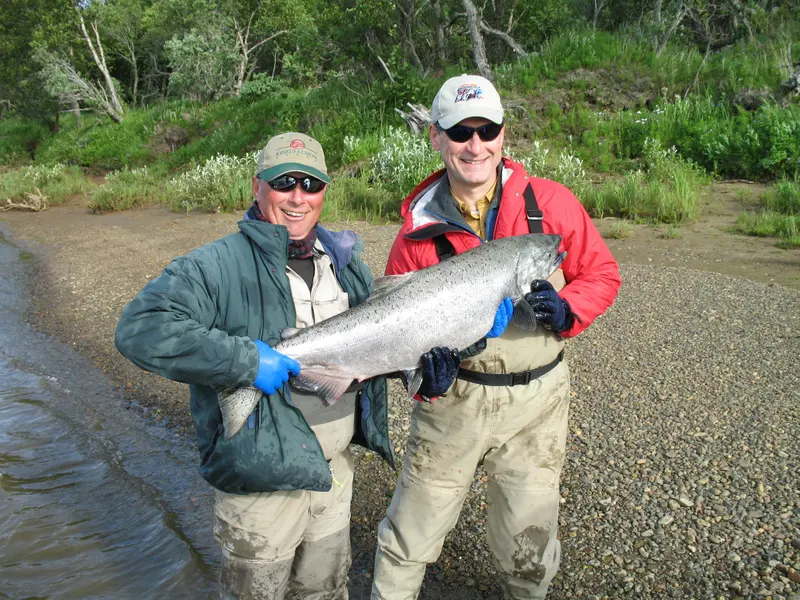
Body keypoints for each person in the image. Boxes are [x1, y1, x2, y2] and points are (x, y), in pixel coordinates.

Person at [371, 75, 622, 599]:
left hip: (537, 404)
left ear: (504, 134)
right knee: (405, 543)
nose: (475, 144)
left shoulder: (551, 203)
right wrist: (425, 385)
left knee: (527, 555)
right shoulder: (414, 234)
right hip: (453, 405)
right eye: (461, 131)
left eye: (487, 129)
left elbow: (601, 274)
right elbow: (394, 342)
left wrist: (567, 308)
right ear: (437, 137)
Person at [114, 132, 395, 599]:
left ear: (325, 190)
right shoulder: (214, 266)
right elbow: (140, 329)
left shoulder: (347, 264)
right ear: (256, 186)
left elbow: (373, 348)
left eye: (311, 184)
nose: (298, 197)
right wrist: (245, 360)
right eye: (284, 182)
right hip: (259, 488)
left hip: (332, 477)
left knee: (325, 592)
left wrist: (426, 360)